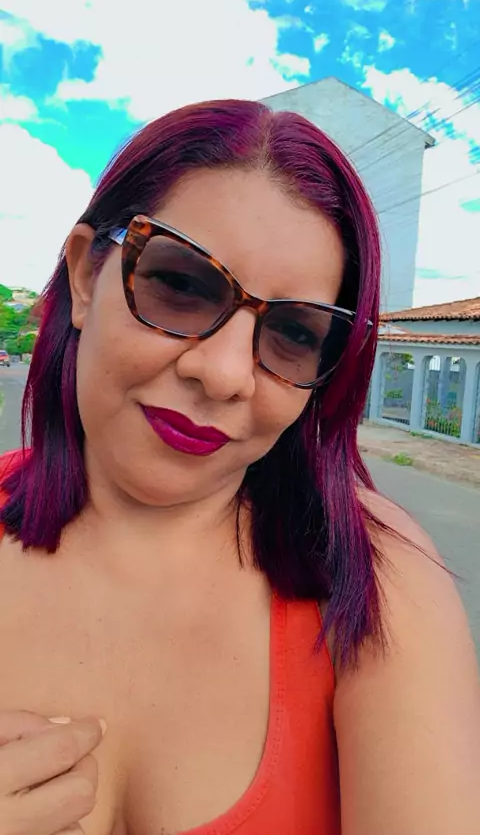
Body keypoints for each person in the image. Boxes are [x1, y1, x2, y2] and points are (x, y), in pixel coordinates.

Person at [0, 99, 478, 835]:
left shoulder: (375, 578)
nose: (224, 374)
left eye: (294, 333)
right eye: (181, 285)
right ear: (87, 277)